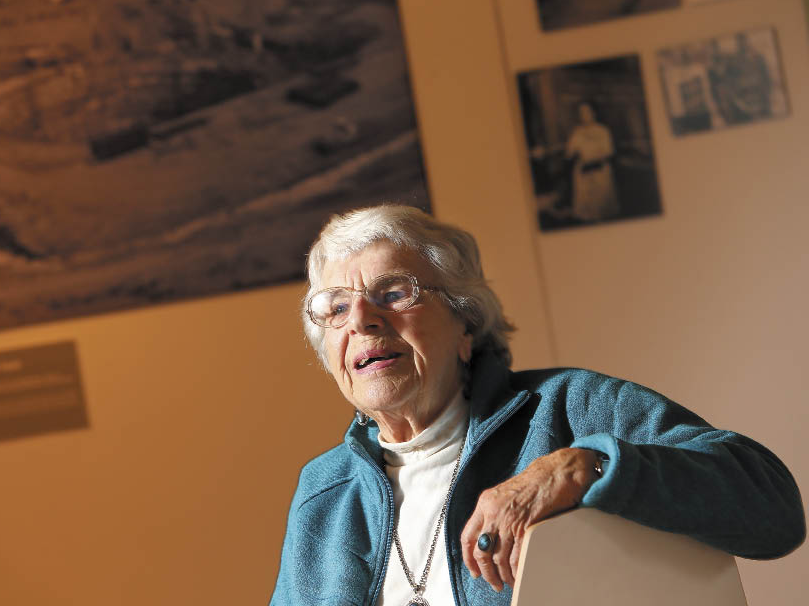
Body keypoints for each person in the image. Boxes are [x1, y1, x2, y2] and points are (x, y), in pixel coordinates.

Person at [270, 205, 805, 606]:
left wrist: (582, 465)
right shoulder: (325, 494)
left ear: (466, 325)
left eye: (393, 292)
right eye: (336, 308)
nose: (362, 320)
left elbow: (772, 506)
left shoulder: (568, 410)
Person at [565, 102, 619, 222]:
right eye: (581, 113)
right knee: (586, 212)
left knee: (602, 208)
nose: (584, 115)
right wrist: (574, 154)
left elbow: (609, 151)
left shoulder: (603, 130)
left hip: (600, 169)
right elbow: (569, 153)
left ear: (594, 113)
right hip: (584, 171)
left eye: (587, 112)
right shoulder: (577, 132)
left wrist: (595, 160)